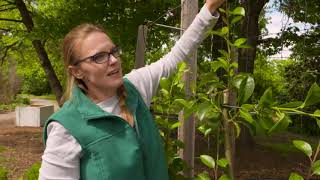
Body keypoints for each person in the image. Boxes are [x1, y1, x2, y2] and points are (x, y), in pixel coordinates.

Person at [39, 0, 224, 179]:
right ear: (77, 71)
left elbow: (176, 56)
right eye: (99, 57)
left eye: (113, 51)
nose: (113, 61)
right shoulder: (66, 128)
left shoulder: (135, 87)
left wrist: (209, 7)